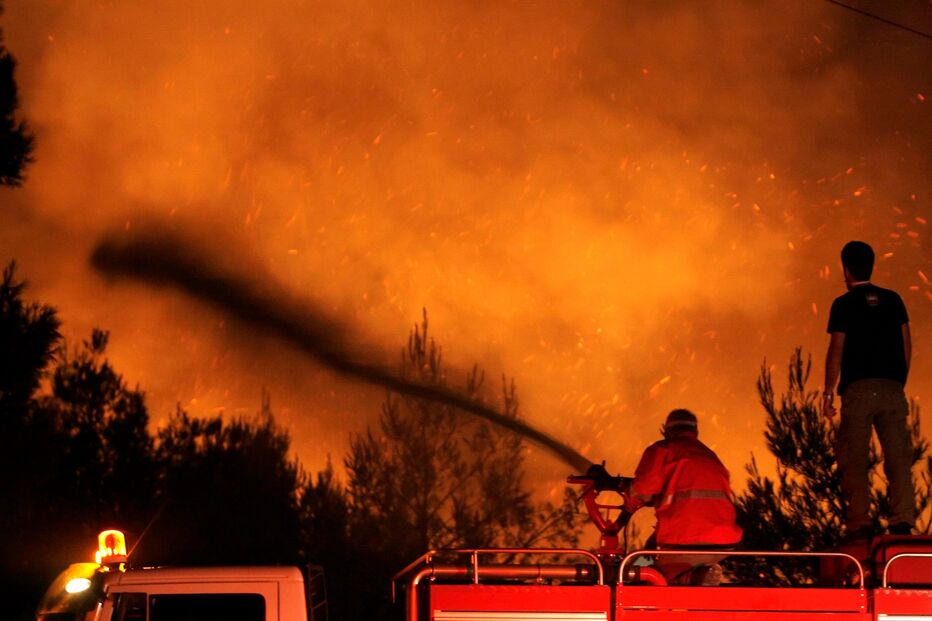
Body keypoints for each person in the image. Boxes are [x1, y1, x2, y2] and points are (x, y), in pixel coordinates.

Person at [822, 240, 914, 539]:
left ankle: (859, 521)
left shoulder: (843, 304)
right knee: (898, 457)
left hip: (858, 390)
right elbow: (906, 344)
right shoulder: (894, 300)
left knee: (854, 458)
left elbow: (836, 349)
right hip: (891, 388)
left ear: (846, 269)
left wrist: (827, 392)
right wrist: (898, 381)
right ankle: (902, 519)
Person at [625, 409, 743, 585]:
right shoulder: (710, 456)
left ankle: (691, 578)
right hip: (723, 541)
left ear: (666, 431)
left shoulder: (662, 449)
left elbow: (643, 492)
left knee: (649, 579)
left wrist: (629, 498)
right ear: (695, 432)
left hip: (686, 540)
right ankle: (699, 576)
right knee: (658, 560)